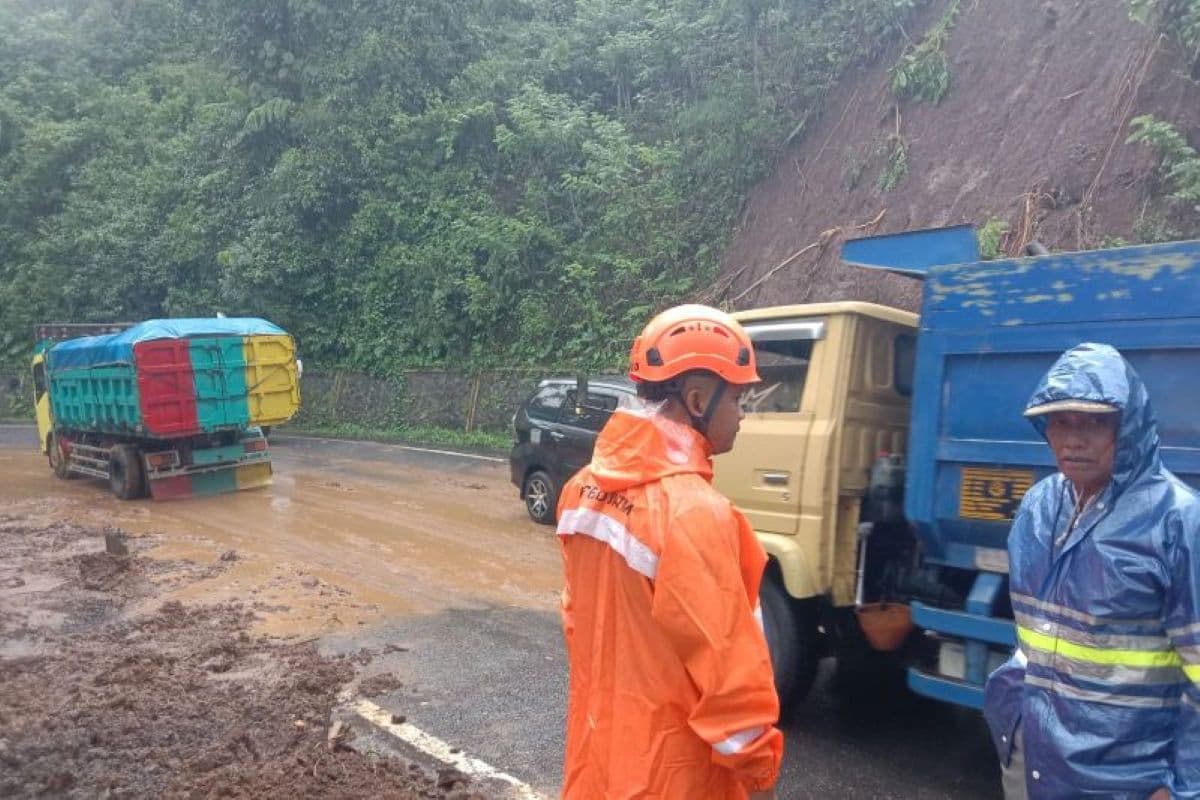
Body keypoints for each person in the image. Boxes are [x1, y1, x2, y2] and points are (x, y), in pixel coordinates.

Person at [556, 304, 783, 799]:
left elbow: (580, 626)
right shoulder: (695, 514)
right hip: (671, 779)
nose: (742, 417)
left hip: (596, 768)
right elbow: (732, 689)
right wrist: (760, 774)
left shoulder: (581, 491)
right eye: (739, 399)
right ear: (698, 399)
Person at [983, 342, 1200, 799]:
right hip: (1030, 754)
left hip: (1123, 777)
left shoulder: (1177, 520)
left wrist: (1183, 786)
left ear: (1129, 426)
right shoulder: (1038, 506)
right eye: (1061, 421)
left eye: (1094, 422)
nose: (1073, 439)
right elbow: (1035, 634)